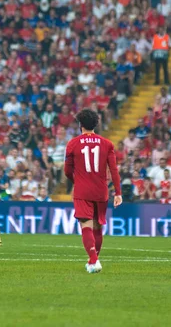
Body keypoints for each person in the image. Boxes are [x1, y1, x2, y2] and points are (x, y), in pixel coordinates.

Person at [64, 109, 122, 274]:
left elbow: (67, 171)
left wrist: (77, 181)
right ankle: (93, 261)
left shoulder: (73, 144)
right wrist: (118, 193)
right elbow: (114, 170)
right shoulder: (107, 144)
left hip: (83, 191)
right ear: (96, 124)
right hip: (101, 191)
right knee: (97, 227)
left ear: (80, 125)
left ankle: (94, 260)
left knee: (86, 226)